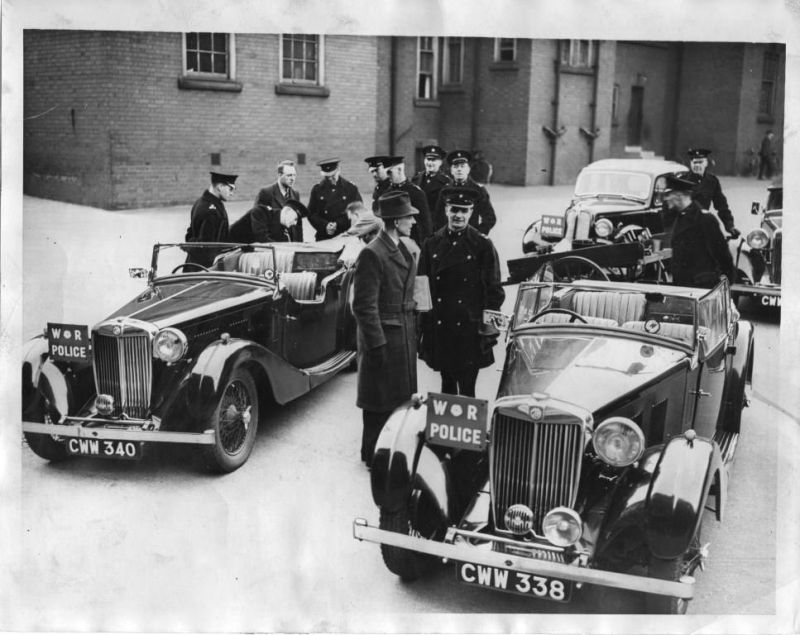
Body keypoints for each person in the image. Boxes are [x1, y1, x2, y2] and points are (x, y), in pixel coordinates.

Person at [352, 190, 419, 467]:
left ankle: (390, 452)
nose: (413, 221)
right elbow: (363, 306)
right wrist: (377, 345)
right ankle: (372, 456)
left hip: (402, 333)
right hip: (384, 339)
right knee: (378, 403)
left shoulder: (401, 247)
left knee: (397, 401)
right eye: (408, 217)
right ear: (394, 221)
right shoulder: (372, 254)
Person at [418, 186, 505, 397]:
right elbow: (421, 287)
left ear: (471, 212)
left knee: (467, 386)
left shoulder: (482, 245)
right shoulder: (431, 243)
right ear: (446, 210)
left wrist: (488, 330)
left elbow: (494, 292)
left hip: (469, 327)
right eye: (454, 209)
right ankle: (443, 429)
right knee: (446, 382)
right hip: (441, 325)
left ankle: (468, 429)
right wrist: (421, 328)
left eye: (464, 211)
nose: (458, 215)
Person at [665, 174, 735, 288]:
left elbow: (722, 254)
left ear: (679, 196)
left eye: (669, 195)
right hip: (683, 287)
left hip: (702, 288)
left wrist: (727, 282)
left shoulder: (704, 219)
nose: (666, 198)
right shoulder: (679, 218)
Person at [432, 150, 496, 235]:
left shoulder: (478, 190)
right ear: (451, 170)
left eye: (462, 166)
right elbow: (438, 217)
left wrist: (477, 235)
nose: (459, 169)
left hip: (469, 239)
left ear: (468, 169)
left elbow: (490, 218)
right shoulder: (445, 190)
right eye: (456, 167)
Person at [184, 171, 238, 268]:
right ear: (220, 187)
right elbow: (207, 247)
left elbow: (190, 234)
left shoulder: (202, 202)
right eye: (231, 189)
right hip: (204, 269)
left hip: (195, 264)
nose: (232, 193)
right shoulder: (211, 211)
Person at [684, 148, 740, 238]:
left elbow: (721, 205)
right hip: (684, 226)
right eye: (694, 162)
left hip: (702, 225)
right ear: (690, 164)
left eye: (700, 162)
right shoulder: (682, 180)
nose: (697, 165)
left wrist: (730, 226)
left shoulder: (712, 181)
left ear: (706, 163)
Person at [307, 158, 363, 241]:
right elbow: (311, 213)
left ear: (339, 170)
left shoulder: (350, 188)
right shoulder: (317, 189)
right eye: (327, 177)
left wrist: (338, 224)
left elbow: (358, 212)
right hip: (324, 236)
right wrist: (325, 225)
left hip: (345, 235)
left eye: (333, 176)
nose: (330, 179)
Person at [383, 155, 432, 247]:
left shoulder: (415, 192)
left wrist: (424, 247)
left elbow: (425, 224)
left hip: (412, 242)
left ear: (399, 170)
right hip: (390, 241)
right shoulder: (387, 193)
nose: (387, 176)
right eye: (386, 173)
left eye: (390, 172)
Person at [254, 160, 303, 241]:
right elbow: (257, 222)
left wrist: (300, 245)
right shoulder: (266, 193)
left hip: (292, 243)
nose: (292, 179)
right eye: (289, 175)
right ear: (279, 175)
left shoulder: (295, 194)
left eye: (294, 175)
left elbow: (298, 225)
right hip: (274, 243)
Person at [229, 199, 306, 243]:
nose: (295, 223)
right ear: (287, 211)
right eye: (295, 219)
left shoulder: (285, 229)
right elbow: (261, 237)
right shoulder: (261, 212)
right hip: (226, 247)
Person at [411, 144, 451, 215]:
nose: (430, 163)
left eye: (433, 160)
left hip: (435, 222)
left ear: (440, 162)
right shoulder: (416, 179)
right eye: (428, 159)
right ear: (424, 160)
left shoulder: (446, 182)